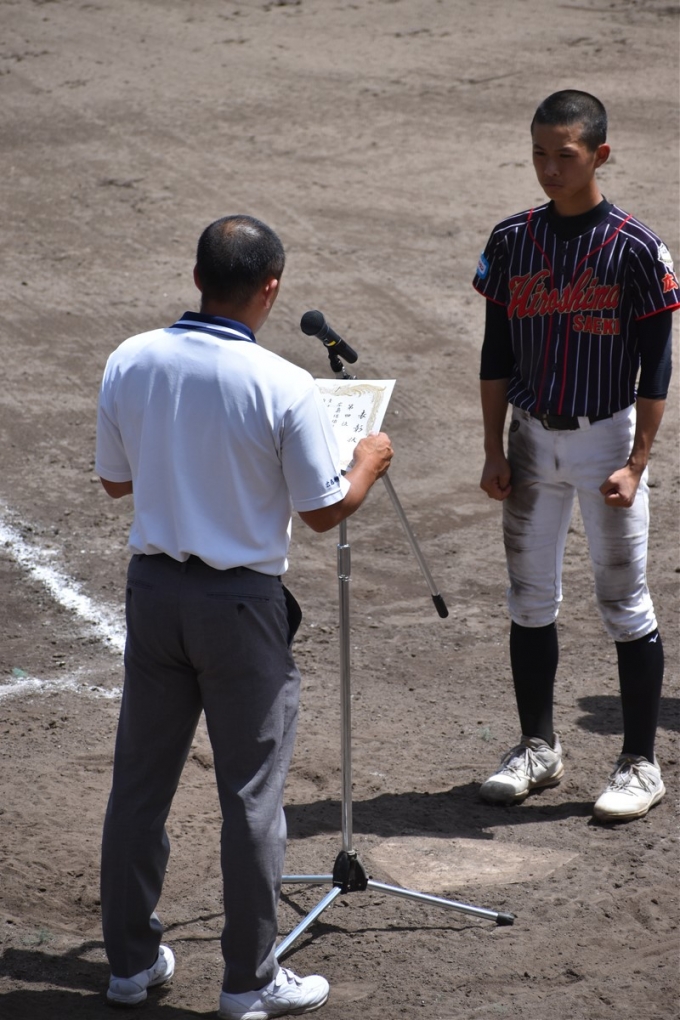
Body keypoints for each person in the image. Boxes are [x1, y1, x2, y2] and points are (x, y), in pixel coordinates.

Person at [95, 214, 393, 1017]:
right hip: (239, 610)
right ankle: (249, 983)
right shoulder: (283, 383)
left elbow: (116, 482)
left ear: (198, 278)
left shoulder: (130, 358)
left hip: (154, 597)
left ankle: (129, 967)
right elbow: (323, 511)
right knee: (253, 799)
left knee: (138, 788)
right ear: (271, 289)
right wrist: (367, 463)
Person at [472, 90, 679, 823]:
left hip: (607, 440)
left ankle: (640, 763)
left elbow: (657, 365)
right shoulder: (511, 240)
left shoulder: (635, 248)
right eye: (539, 153)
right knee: (529, 599)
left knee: (624, 602)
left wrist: (638, 461)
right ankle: (538, 747)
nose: (549, 169)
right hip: (530, 438)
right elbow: (495, 353)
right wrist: (493, 446)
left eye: (564, 155)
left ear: (600, 154)